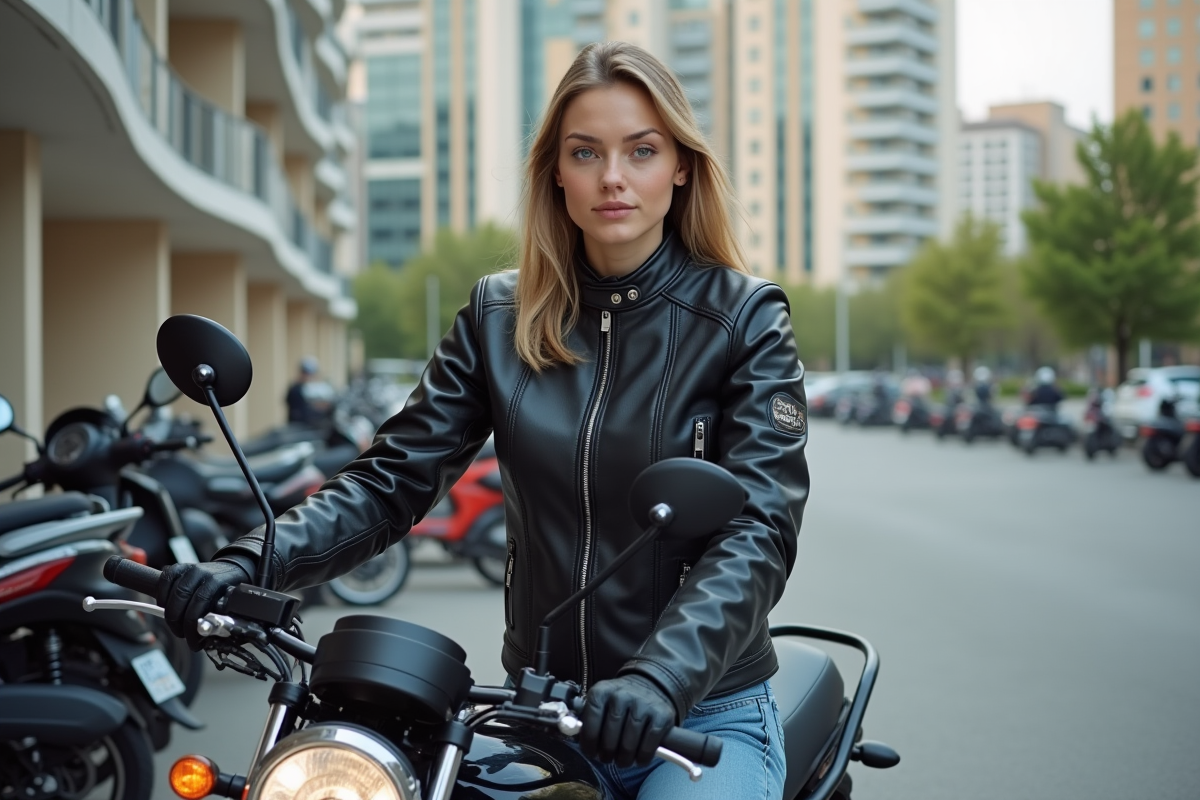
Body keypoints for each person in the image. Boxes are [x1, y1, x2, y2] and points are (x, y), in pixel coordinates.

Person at [157, 41, 804, 799]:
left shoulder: (743, 319)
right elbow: (391, 481)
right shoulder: (500, 316)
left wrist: (661, 678)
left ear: (681, 166)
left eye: (643, 150)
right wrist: (247, 560)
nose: (614, 177)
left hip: (700, 715)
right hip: (540, 709)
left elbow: (758, 527)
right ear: (556, 172)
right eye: (586, 152)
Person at [285, 356, 334, 425]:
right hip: (298, 427)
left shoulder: (312, 387)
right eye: (306, 373)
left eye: (310, 374)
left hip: (309, 427)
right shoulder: (295, 389)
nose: (308, 376)